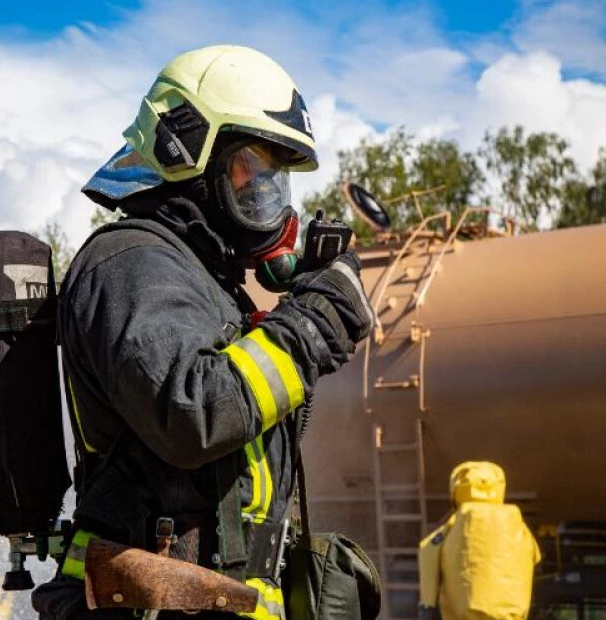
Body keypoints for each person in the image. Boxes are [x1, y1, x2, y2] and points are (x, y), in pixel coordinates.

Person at [31, 45, 373, 620]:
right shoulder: (130, 260)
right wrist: (313, 322)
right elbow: (194, 411)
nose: (266, 194)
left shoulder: (203, 280)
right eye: (251, 168)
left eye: (275, 178)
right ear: (185, 150)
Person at [418, 462, 541, 620]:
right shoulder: (515, 519)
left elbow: (428, 550)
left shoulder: (460, 518)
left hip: (465, 614)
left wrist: (427, 605)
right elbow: (535, 555)